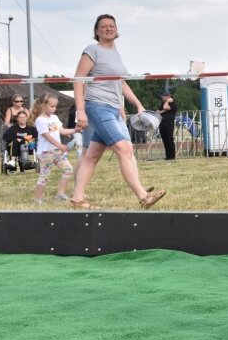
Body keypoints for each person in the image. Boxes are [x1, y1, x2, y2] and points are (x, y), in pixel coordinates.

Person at [70, 14, 166, 210]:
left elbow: (120, 83)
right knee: (125, 149)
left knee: (92, 156)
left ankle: (77, 198)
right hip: (97, 106)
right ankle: (142, 195)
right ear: (97, 31)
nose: (108, 28)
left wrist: (136, 104)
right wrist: (81, 111)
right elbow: (78, 79)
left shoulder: (115, 52)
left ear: (116, 29)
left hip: (113, 108)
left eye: (111, 26)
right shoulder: (92, 50)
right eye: (103, 26)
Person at [29, 94, 76, 204]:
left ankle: (60, 194)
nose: (54, 108)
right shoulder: (40, 120)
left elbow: (63, 131)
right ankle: (38, 198)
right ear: (43, 105)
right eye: (52, 106)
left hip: (57, 152)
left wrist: (76, 130)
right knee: (45, 175)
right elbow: (47, 136)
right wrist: (60, 145)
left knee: (68, 169)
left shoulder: (54, 118)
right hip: (46, 152)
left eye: (55, 106)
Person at [157, 91, 177, 160]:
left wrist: (168, 101)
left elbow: (165, 107)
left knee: (169, 139)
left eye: (163, 96)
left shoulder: (172, 103)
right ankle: (168, 156)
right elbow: (157, 112)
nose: (162, 98)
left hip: (169, 123)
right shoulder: (162, 103)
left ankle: (172, 156)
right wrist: (161, 111)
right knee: (165, 140)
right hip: (162, 123)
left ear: (167, 97)